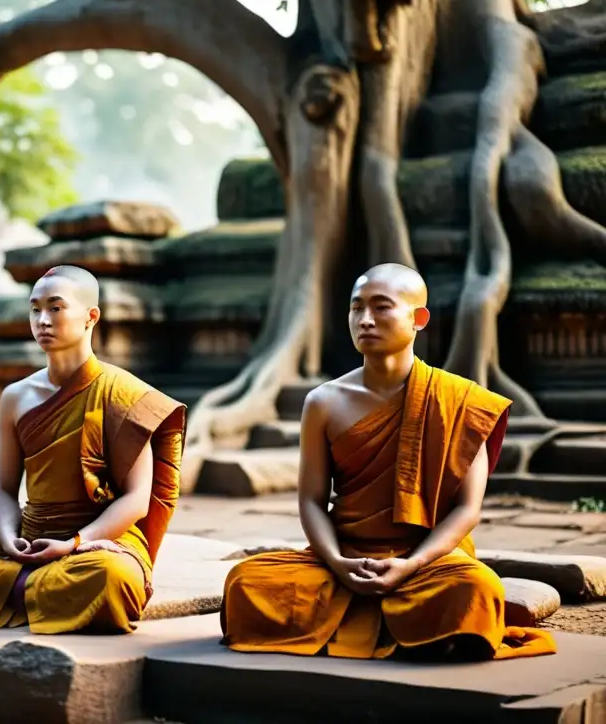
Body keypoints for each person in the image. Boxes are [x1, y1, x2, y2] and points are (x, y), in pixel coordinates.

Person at [220, 263, 557, 661]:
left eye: (381, 307)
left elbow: (467, 509)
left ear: (419, 319)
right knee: (245, 581)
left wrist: (411, 564)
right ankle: (411, 629)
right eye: (355, 308)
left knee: (476, 589)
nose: (365, 320)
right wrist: (338, 562)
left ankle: (369, 620)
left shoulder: (461, 401)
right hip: (345, 556)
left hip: (427, 560)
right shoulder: (324, 402)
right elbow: (311, 500)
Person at [0, 265, 186, 635]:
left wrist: (73, 544)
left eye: (55, 308)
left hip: (96, 545)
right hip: (29, 541)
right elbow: (5, 489)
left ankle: (12, 592)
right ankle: (41, 592)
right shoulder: (16, 397)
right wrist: (7, 538)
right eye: (35, 309)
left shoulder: (125, 394)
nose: (42, 320)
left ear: (91, 317)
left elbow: (136, 501)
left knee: (112, 579)